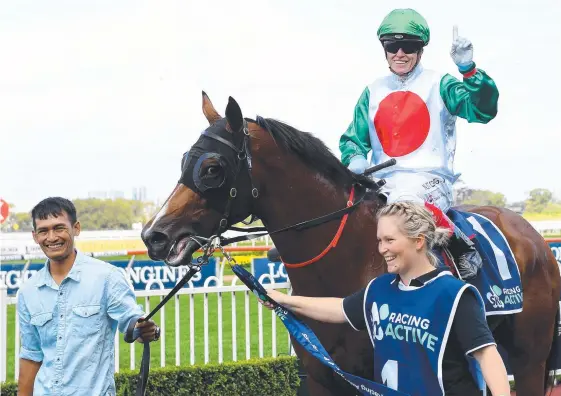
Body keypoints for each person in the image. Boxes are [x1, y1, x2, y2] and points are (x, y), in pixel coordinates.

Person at [258, 201, 510, 396]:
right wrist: (284, 300)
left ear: (419, 241)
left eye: (390, 240)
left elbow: (487, 355)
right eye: (379, 241)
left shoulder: (454, 295)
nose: (382, 249)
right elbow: (339, 309)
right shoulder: (379, 289)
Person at [339, 8, 500, 280]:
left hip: (429, 181)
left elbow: (482, 111)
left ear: (421, 50)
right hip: (381, 182)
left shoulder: (441, 84)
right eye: (392, 46)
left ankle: (460, 246)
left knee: (404, 209)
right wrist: (354, 158)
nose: (399, 53)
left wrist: (469, 71)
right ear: (384, 49)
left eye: (408, 46)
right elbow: (353, 140)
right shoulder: (372, 91)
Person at [17, 197, 160, 396]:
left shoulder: (107, 277)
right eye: (43, 230)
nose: (51, 237)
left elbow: (132, 321)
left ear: (76, 228)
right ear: (35, 236)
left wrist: (144, 329)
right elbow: (31, 356)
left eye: (59, 228)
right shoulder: (28, 291)